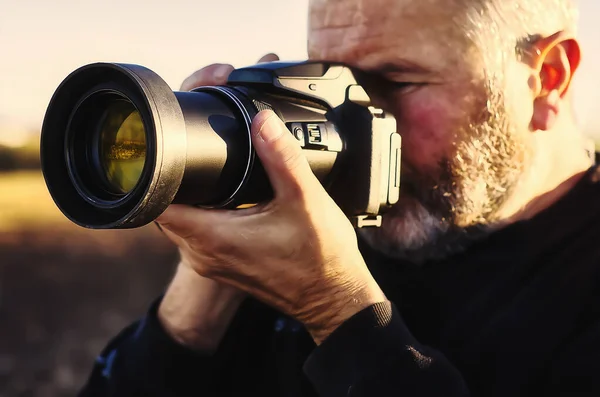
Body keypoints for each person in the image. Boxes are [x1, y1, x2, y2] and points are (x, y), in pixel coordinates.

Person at [80, 0, 600, 396]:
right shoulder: (300, 235)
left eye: (395, 80)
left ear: (547, 77)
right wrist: (203, 289)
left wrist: (337, 310)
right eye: (336, 83)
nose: (359, 122)